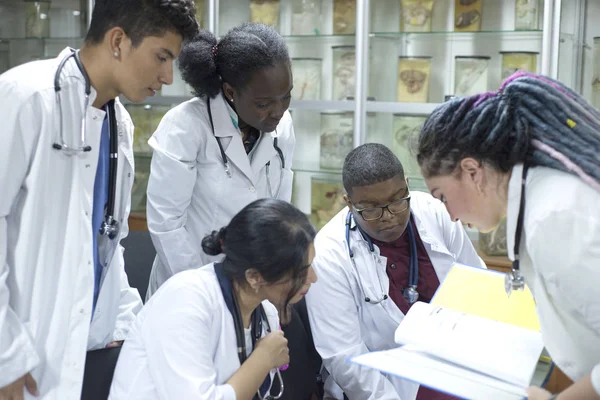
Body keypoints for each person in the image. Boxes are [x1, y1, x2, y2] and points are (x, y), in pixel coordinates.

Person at [0, 0, 198, 398]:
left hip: (89, 351)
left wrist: (128, 326)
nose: (167, 76)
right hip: (19, 353)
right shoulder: (25, 97)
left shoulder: (119, 123)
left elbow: (107, 240)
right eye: (162, 57)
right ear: (119, 41)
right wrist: (6, 358)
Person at [416, 72, 600, 400]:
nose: (451, 216)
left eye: (442, 197)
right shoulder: (540, 202)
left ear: (472, 172)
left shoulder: (552, 218)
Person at [305, 143, 485, 400]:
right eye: (371, 208)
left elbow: (477, 285)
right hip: (386, 385)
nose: (388, 216)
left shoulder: (435, 212)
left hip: (453, 366)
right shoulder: (329, 255)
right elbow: (345, 356)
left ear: (407, 186)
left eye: (397, 201)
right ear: (349, 202)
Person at [109, 198, 318, 400]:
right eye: (302, 271)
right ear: (254, 277)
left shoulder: (265, 313)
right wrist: (263, 359)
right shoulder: (185, 302)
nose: (313, 278)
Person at [145, 22, 295, 299]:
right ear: (230, 91)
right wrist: (201, 292)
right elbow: (167, 224)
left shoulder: (282, 127)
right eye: (263, 103)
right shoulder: (187, 125)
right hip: (188, 283)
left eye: (285, 97)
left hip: (252, 284)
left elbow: (278, 213)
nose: (278, 112)